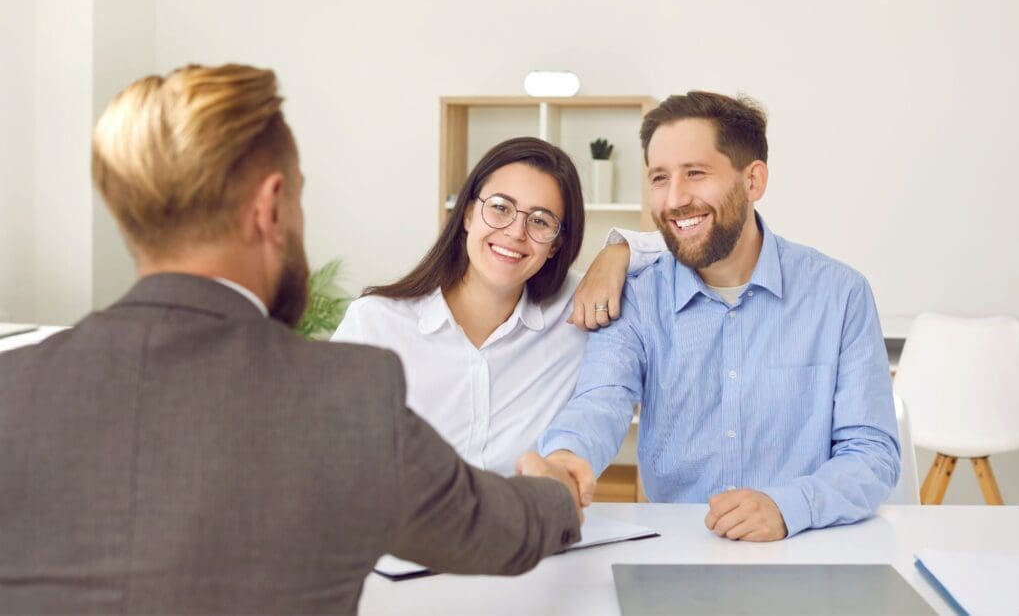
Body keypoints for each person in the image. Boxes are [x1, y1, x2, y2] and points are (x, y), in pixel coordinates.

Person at [0, 64, 582, 615]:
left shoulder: (13, 388)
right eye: (300, 195)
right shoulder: (343, 393)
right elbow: (489, 528)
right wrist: (556, 493)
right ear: (270, 206)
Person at [535, 91, 900, 541]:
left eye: (696, 173)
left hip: (806, 543)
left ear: (753, 181)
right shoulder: (636, 296)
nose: (674, 199)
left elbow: (872, 453)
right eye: (659, 177)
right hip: (676, 550)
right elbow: (601, 399)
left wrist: (789, 507)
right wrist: (567, 454)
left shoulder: (840, 294)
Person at [332, 137, 651, 476]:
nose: (516, 232)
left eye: (540, 220)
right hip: (404, 525)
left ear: (557, 244)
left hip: (527, 525)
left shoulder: (577, 311)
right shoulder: (376, 323)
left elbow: (691, 247)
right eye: (500, 207)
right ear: (468, 213)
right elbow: (321, 445)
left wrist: (619, 250)